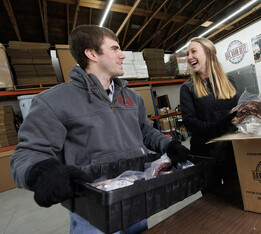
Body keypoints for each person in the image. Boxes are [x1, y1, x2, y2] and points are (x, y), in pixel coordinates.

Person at [10, 25, 190, 234]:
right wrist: (41, 171)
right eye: (115, 49)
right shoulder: (53, 101)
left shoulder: (132, 98)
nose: (122, 55)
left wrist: (170, 144)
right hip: (93, 208)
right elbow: (27, 154)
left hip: (137, 193)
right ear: (92, 53)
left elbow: (146, 132)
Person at [180, 37, 239, 194]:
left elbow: (239, 114)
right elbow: (190, 121)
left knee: (235, 196)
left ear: (209, 53)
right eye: (187, 53)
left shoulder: (230, 81)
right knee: (212, 204)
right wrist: (218, 127)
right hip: (205, 155)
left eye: (193, 51)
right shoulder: (188, 88)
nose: (189, 57)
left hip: (232, 153)